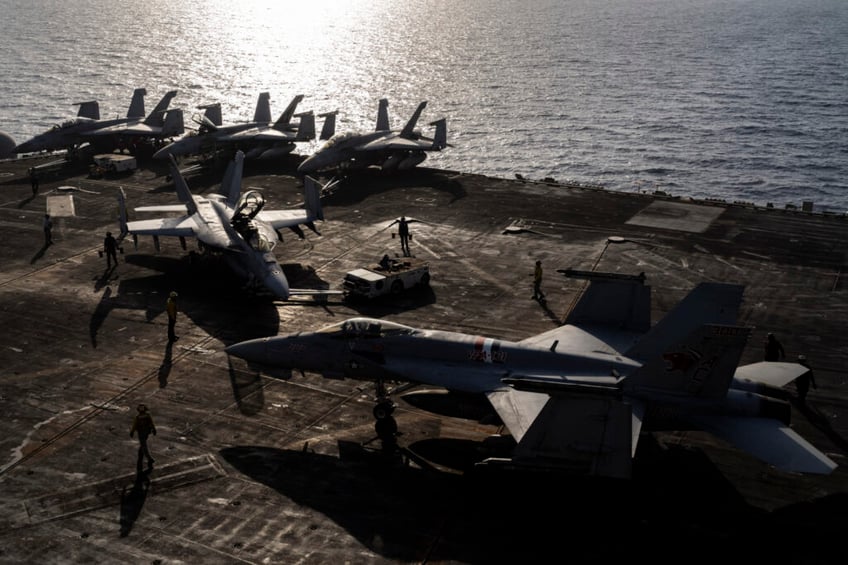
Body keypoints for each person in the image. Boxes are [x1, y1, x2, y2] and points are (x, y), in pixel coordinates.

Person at [130, 403, 157, 468]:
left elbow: (151, 423)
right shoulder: (143, 416)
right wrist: (154, 429)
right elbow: (135, 425)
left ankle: (141, 449)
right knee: (144, 445)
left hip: (145, 432)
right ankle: (149, 458)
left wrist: (154, 429)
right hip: (143, 432)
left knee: (143, 443)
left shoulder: (141, 416)